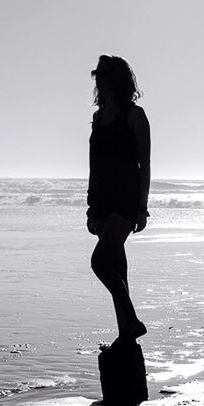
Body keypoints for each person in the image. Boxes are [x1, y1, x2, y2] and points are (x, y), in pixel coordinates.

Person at [86, 55, 151, 345]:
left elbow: (145, 165)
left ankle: (133, 321)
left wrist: (142, 208)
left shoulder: (134, 115)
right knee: (118, 270)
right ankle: (126, 333)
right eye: (98, 74)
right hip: (102, 202)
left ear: (119, 79)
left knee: (100, 263)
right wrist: (90, 207)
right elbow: (94, 165)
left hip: (125, 202)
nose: (101, 79)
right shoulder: (98, 119)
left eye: (106, 74)